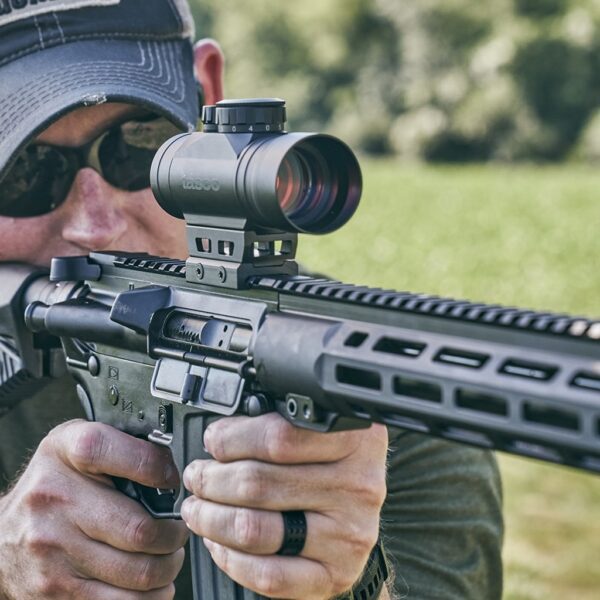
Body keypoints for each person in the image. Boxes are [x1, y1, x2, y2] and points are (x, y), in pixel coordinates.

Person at [0, 1, 503, 598]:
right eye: (26, 171)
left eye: (138, 146)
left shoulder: (388, 378)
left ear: (207, 91)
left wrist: (347, 583)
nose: (96, 223)